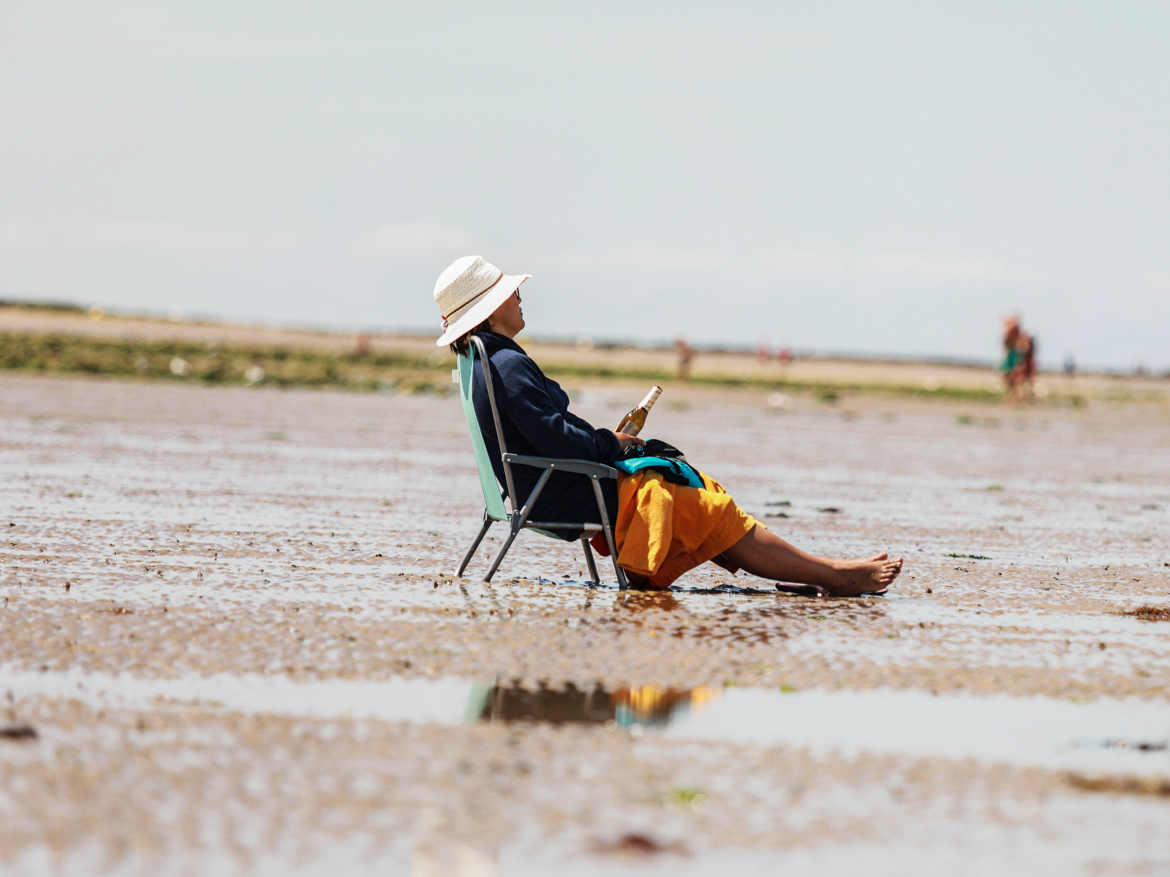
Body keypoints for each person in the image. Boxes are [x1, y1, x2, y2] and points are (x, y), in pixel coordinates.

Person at [434, 255, 903, 597]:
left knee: (702, 499)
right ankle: (832, 574)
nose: (519, 298)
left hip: (546, 484)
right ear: (493, 309)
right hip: (566, 489)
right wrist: (610, 445)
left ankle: (821, 571)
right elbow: (552, 436)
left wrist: (607, 444)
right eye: (510, 293)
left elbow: (544, 431)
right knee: (707, 505)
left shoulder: (488, 361)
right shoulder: (508, 364)